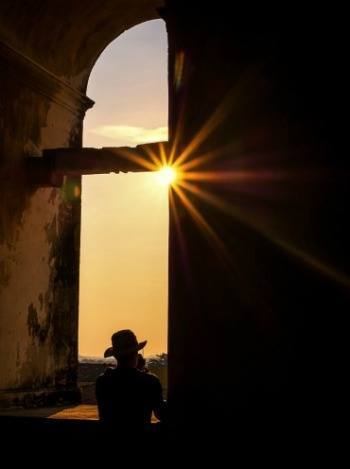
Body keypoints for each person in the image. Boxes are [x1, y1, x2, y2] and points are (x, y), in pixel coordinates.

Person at [96, 329, 166, 432]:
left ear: (115, 355)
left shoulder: (102, 381)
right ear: (136, 353)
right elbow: (161, 414)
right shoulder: (150, 382)